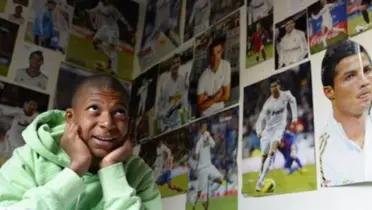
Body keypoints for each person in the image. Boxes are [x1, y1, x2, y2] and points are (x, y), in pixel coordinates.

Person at [0, 75, 162, 209]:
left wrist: (112, 169)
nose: (108, 123)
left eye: (119, 112)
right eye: (94, 109)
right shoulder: (28, 158)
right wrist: (75, 170)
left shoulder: (139, 173)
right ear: (71, 117)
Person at [319, 40, 372, 187]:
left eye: (367, 70)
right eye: (350, 76)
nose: (364, 82)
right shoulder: (323, 152)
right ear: (329, 92)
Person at [255, 79, 298, 192]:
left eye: (275, 86)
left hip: (279, 130)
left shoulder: (286, 95)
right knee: (264, 157)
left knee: (272, 152)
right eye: (271, 87)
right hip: (268, 131)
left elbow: (293, 100)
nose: (273, 89)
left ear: (279, 86)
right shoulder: (268, 103)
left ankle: (260, 182)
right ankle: (261, 175)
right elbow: (260, 119)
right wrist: (259, 131)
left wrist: (294, 118)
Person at [87, 0, 132, 75]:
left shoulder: (113, 9)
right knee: (95, 41)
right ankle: (109, 60)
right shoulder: (100, 5)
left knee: (112, 50)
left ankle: (114, 71)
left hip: (113, 30)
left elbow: (121, 17)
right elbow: (94, 10)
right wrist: (89, 11)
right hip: (105, 28)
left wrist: (128, 26)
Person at [197, 36, 231, 116]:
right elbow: (200, 107)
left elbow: (226, 96)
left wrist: (208, 99)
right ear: (209, 56)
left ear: (222, 51)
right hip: (206, 114)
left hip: (221, 110)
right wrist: (214, 98)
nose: (216, 57)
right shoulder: (203, 77)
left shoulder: (226, 65)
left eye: (218, 52)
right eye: (213, 54)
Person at [193, 122, 223, 210]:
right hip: (202, 169)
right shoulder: (198, 143)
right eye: (203, 128)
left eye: (206, 127)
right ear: (200, 130)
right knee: (200, 192)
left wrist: (212, 138)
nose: (205, 129)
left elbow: (214, 145)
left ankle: (209, 179)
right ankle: (195, 206)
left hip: (209, 166)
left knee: (221, 180)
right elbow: (196, 156)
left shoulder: (208, 137)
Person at [157, 54, 189, 132]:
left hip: (178, 122)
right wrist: (162, 126)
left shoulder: (181, 79)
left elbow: (183, 102)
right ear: (170, 65)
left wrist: (185, 120)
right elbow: (159, 105)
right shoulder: (164, 81)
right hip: (167, 124)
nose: (176, 65)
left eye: (178, 62)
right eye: (173, 63)